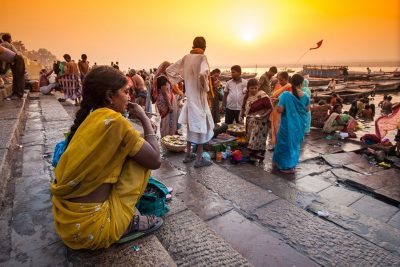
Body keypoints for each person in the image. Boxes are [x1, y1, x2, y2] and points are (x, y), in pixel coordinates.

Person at [51, 66, 163, 250]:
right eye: (126, 92)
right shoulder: (115, 123)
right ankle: (127, 223)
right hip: (92, 229)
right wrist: (144, 118)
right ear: (110, 96)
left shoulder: (90, 118)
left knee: (132, 149)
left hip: (67, 223)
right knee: (141, 158)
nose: (129, 97)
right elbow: (155, 160)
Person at [166, 36, 214, 168]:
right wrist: (206, 87)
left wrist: (182, 79)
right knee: (200, 130)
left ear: (193, 46)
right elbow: (203, 73)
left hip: (190, 99)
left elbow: (169, 70)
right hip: (199, 100)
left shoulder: (186, 57)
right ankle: (199, 159)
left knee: (191, 128)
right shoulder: (203, 57)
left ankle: (188, 155)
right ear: (204, 47)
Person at [272, 74, 309, 173]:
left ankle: (279, 163)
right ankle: (288, 166)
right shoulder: (306, 96)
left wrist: (281, 104)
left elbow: (280, 110)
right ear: (301, 84)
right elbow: (307, 109)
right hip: (298, 126)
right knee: (293, 145)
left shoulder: (285, 95)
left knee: (283, 143)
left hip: (286, 125)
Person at [241, 78, 272, 160]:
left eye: (256, 88)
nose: (254, 90)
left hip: (261, 122)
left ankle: (259, 155)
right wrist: (240, 116)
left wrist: (263, 115)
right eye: (252, 88)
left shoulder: (263, 95)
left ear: (258, 87)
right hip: (250, 122)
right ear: (248, 88)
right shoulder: (247, 96)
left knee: (259, 139)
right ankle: (252, 156)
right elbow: (243, 107)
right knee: (250, 138)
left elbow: (270, 108)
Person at [153, 61, 179, 137]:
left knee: (167, 121)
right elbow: (164, 92)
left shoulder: (163, 77)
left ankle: (168, 137)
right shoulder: (162, 78)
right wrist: (170, 105)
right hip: (165, 102)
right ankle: (166, 138)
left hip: (165, 101)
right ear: (166, 68)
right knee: (166, 121)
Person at [270, 72, 292, 149]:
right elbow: (273, 94)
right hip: (275, 109)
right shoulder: (278, 86)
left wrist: (278, 99)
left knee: (281, 128)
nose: (279, 82)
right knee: (274, 127)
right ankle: (275, 145)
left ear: (286, 79)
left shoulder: (289, 87)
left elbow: (289, 100)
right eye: (278, 80)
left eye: (281, 80)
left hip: (283, 111)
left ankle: (281, 146)